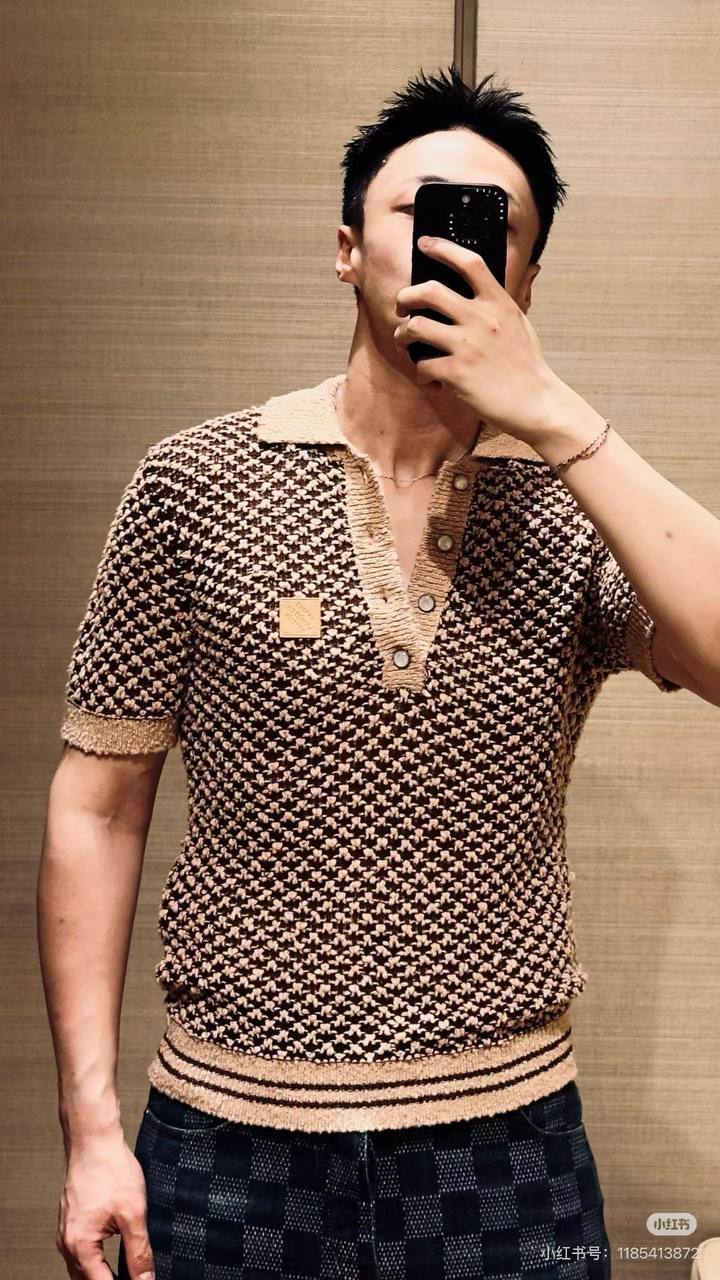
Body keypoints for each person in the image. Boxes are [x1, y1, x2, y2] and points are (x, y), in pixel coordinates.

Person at [38, 64, 720, 1280]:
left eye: (491, 225)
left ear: (526, 280)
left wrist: (555, 414)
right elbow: (98, 806)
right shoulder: (193, 484)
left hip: (508, 1146)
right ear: (347, 248)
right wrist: (91, 1128)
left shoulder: (572, 506)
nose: (450, 245)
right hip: (226, 1136)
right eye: (418, 210)